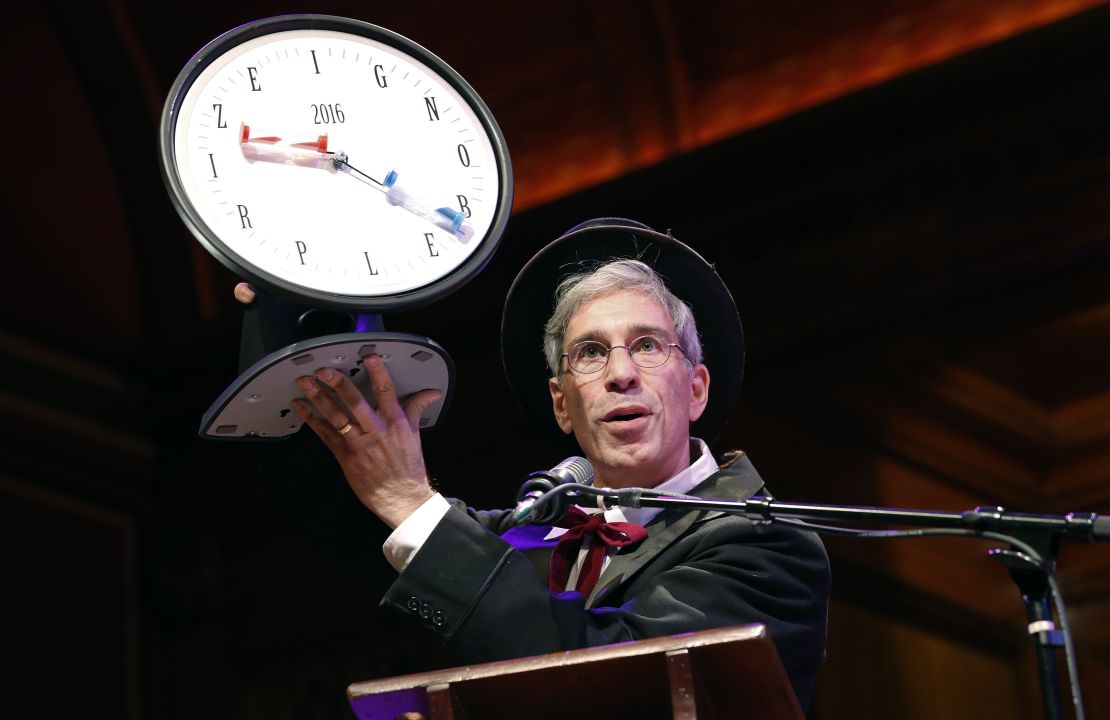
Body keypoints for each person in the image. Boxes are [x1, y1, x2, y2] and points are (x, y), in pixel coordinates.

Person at [266, 218, 830, 708]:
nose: (620, 373)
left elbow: (611, 681)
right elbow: (348, 518)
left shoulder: (767, 543)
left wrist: (411, 500)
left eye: (649, 346)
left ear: (697, 388)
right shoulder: (534, 532)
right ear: (563, 403)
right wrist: (279, 302)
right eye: (590, 352)